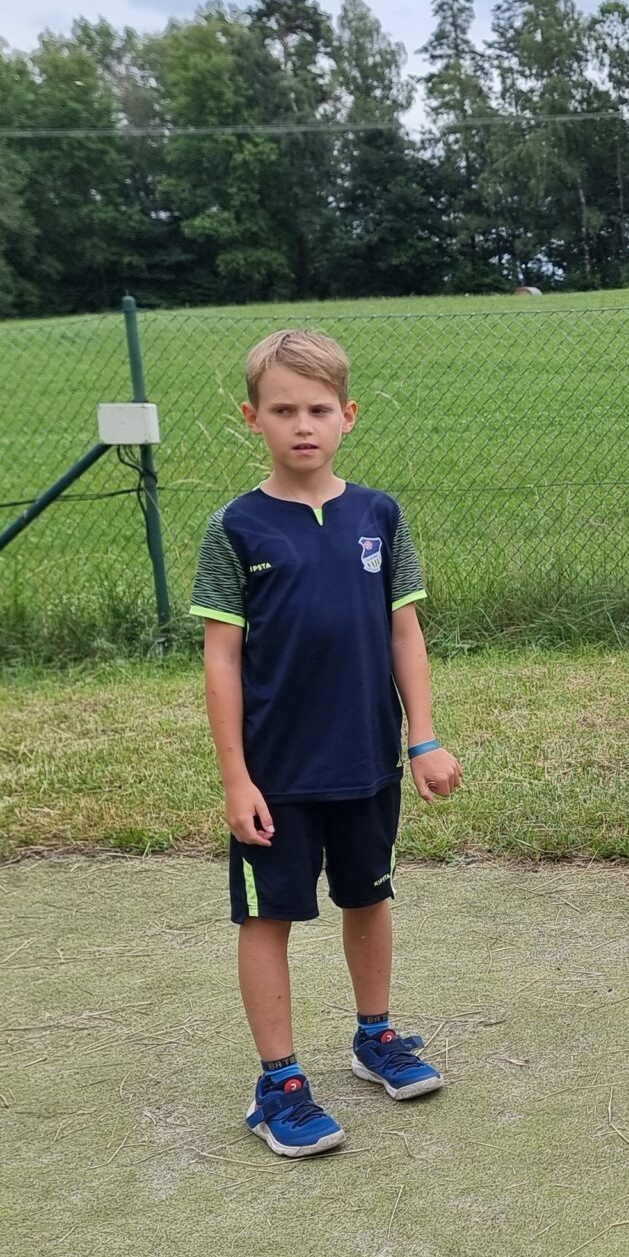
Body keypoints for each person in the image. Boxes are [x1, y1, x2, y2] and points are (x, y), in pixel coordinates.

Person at [190, 329, 461, 1160]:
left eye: (317, 409)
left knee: (368, 897)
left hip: (367, 761)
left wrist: (423, 739)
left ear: (348, 415)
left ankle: (375, 1036)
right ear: (253, 418)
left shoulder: (379, 515)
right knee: (268, 916)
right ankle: (278, 1084)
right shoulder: (235, 528)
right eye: (282, 410)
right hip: (276, 776)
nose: (302, 425)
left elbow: (405, 634)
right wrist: (236, 779)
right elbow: (221, 659)